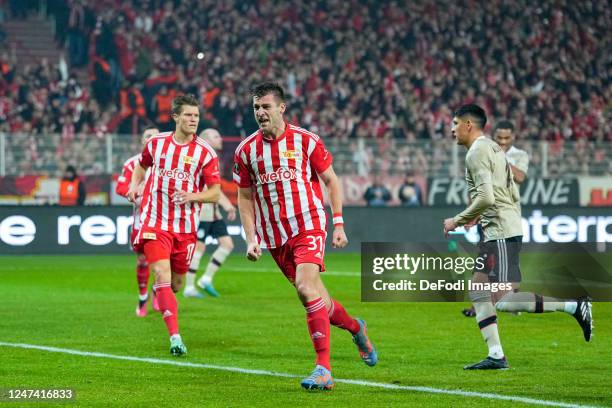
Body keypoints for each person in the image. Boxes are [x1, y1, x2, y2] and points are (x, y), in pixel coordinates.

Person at [234, 82, 377, 391]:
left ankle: (323, 369)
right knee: (318, 300)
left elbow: (331, 180)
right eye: (256, 107)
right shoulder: (246, 150)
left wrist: (338, 223)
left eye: (266, 106)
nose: (260, 112)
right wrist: (251, 237)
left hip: (308, 224)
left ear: (281, 108)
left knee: (304, 286)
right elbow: (244, 198)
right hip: (275, 238)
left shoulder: (306, 141)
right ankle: (356, 328)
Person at [443, 104, 593, 370]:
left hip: (500, 231)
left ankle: (574, 305)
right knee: (478, 290)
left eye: (455, 123)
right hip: (501, 227)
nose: (452, 129)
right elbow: (506, 193)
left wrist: (459, 219)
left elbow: (487, 197)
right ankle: (496, 355)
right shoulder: (492, 148)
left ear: (468, 125)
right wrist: (486, 214)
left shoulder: (476, 153)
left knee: (503, 300)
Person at [127, 94, 221, 356]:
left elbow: (214, 192)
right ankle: (175, 337)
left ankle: (164, 294)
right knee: (162, 274)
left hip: (185, 228)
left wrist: (193, 196)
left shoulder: (205, 152)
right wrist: (135, 185)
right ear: (176, 117)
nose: (193, 120)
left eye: (196, 116)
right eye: (189, 115)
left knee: (176, 284)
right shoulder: (156, 144)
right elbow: (141, 166)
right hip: (154, 222)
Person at [462, 120, 529, 317]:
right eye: (499, 137)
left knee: (506, 262)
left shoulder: (520, 155)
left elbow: (520, 177)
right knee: (485, 257)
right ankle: (480, 305)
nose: (503, 141)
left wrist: (500, 159)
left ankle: (511, 299)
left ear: (513, 137)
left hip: (508, 216)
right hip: (487, 214)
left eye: (507, 138)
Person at [183, 128, 236, 298]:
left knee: (227, 244)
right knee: (199, 246)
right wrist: (227, 205)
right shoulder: (201, 157)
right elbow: (211, 188)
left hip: (213, 212)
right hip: (202, 210)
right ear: (206, 139)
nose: (220, 138)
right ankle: (189, 287)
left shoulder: (213, 157)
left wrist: (226, 206)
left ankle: (205, 279)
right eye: (216, 136)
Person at [115, 125, 159, 317]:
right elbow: (120, 187)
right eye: (147, 135)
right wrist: (134, 190)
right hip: (142, 220)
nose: (151, 138)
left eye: (155, 136)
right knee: (143, 259)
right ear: (142, 140)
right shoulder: (132, 163)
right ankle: (143, 297)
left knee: (164, 260)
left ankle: (158, 290)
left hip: (166, 218)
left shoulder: (169, 161)